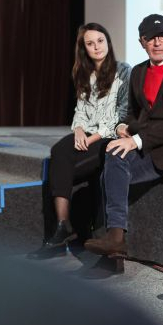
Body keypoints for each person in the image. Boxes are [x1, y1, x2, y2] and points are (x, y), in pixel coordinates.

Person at [83, 14, 163, 264]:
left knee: (114, 168)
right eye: (151, 38)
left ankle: (113, 244)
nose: (158, 43)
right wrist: (122, 127)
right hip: (144, 143)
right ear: (141, 42)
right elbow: (132, 113)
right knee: (112, 152)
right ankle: (115, 239)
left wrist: (136, 141)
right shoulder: (138, 72)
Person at [29, 23, 131, 257]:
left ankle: (67, 233)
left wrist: (92, 136)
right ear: (84, 48)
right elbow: (81, 111)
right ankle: (62, 225)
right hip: (88, 133)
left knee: (62, 167)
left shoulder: (123, 70)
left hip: (109, 136)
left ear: (108, 42)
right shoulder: (83, 73)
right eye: (90, 43)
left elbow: (121, 115)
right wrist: (78, 130)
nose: (96, 47)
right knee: (59, 150)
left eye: (100, 40)